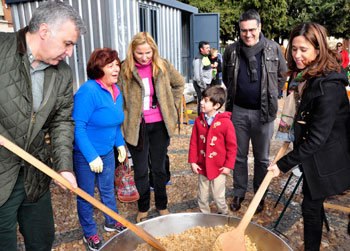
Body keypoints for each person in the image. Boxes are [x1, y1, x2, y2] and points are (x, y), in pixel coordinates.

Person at [0, 1, 85, 250]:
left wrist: (64, 167)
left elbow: (61, 121)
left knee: (41, 239)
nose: (69, 53)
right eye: (67, 43)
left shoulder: (63, 74)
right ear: (45, 31)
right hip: (2, 174)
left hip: (35, 174)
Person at [268, 22, 350, 251]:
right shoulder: (308, 74)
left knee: (310, 207)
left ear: (318, 49)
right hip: (315, 154)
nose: (297, 55)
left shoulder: (328, 86)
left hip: (330, 154)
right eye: (294, 49)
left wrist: (281, 165)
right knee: (310, 206)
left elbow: (317, 138)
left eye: (303, 49)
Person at [222, 9, 287, 214]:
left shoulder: (273, 48)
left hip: (264, 113)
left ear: (259, 28)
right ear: (239, 30)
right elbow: (227, 78)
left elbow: (282, 76)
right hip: (238, 111)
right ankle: (239, 192)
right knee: (238, 156)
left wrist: (270, 95)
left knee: (262, 158)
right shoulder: (231, 50)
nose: (248, 34)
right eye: (243, 30)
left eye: (252, 29)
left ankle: (259, 195)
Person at [118, 32, 185, 223]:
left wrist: (170, 104)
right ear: (133, 51)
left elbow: (179, 84)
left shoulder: (162, 65)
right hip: (137, 127)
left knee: (159, 167)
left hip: (159, 125)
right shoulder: (125, 69)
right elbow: (119, 97)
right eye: (140, 53)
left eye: (148, 52)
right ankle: (143, 207)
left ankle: (162, 205)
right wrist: (124, 121)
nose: (144, 57)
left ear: (154, 50)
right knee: (140, 169)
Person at [72, 48, 127, 250]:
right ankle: (89, 233)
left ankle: (111, 220)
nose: (116, 69)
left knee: (107, 190)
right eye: (110, 65)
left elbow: (114, 123)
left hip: (107, 152)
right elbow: (78, 127)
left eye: (117, 65)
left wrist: (119, 143)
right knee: (86, 194)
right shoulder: (89, 91)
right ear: (99, 68)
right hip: (87, 155)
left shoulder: (116, 90)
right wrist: (91, 156)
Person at [188, 86, 237, 215]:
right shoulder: (199, 121)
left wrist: (228, 166)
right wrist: (193, 161)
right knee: (202, 195)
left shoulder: (226, 123)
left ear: (216, 105)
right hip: (202, 165)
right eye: (202, 99)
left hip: (219, 167)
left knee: (218, 196)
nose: (202, 103)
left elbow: (232, 147)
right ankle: (205, 215)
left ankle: (224, 215)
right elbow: (194, 143)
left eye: (206, 100)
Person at [193, 41, 212, 114]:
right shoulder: (198, 59)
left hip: (206, 83)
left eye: (209, 47)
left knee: (206, 101)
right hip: (201, 85)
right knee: (202, 102)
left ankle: (205, 118)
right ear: (201, 49)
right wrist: (203, 86)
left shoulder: (205, 57)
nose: (209, 49)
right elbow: (198, 75)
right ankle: (201, 120)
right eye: (207, 48)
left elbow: (205, 70)